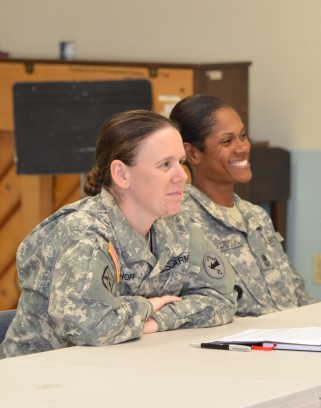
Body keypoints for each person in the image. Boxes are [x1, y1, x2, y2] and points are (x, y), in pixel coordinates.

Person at [0, 110, 238, 359]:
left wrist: (155, 321)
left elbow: (224, 297)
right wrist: (148, 305)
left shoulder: (176, 226)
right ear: (122, 174)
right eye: (165, 165)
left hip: (120, 368)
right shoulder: (84, 232)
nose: (182, 176)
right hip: (39, 379)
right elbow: (88, 326)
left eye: (181, 162)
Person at [170, 94, 315, 317]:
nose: (243, 148)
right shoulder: (181, 222)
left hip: (294, 337)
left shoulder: (256, 215)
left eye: (243, 136)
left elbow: (298, 293)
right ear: (192, 153)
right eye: (227, 141)